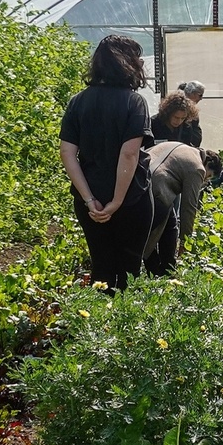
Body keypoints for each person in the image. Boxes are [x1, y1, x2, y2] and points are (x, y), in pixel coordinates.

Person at [59, 35, 156, 290]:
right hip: (131, 197)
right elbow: (129, 154)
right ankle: (124, 325)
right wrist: (116, 202)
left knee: (101, 265)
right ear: (129, 64)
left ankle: (99, 323)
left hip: (89, 198)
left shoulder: (78, 101)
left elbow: (67, 152)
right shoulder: (134, 102)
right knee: (130, 268)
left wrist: (90, 200)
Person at [142, 144, 223, 275]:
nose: (205, 180)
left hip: (141, 184)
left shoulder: (183, 148)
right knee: (147, 236)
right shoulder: (198, 168)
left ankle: (166, 269)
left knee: (170, 226)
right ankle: (157, 273)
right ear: (207, 163)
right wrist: (185, 243)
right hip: (156, 193)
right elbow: (189, 207)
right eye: (208, 176)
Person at [173, 81, 205, 147]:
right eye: (200, 95)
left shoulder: (193, 111)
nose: (201, 98)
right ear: (193, 93)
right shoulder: (176, 107)